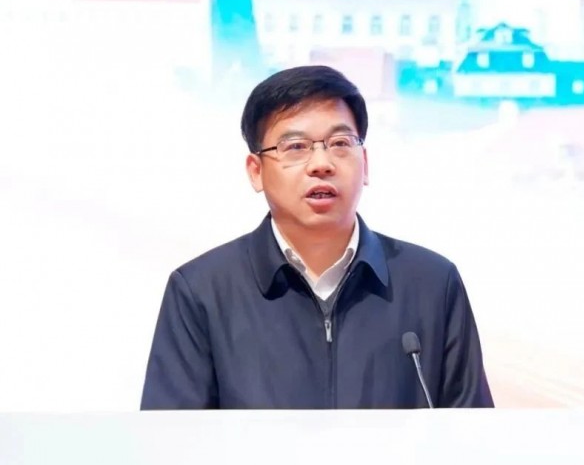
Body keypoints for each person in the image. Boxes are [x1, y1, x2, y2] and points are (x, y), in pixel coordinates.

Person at [140, 65, 494, 409]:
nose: (321, 163)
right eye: (296, 147)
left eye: (340, 143)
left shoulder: (433, 284)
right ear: (256, 171)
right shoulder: (201, 292)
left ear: (365, 163)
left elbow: (473, 437)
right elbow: (170, 441)